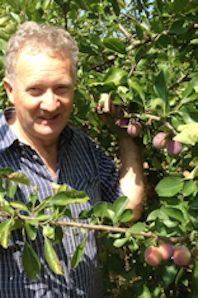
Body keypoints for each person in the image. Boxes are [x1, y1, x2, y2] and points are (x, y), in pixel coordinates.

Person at [0, 21, 145, 297]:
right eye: (35, 90)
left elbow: (127, 212)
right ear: (10, 90)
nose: (51, 104)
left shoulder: (82, 147)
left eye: (62, 88)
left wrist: (124, 135)